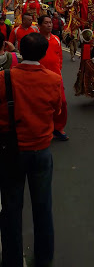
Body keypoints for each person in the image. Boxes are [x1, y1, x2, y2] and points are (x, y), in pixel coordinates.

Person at [0, 33, 62, 267]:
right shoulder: (53, 80)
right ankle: (44, 257)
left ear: (19, 51)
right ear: (45, 53)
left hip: (11, 151)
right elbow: (56, 112)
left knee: (11, 208)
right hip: (41, 150)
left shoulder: (4, 78)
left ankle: (12, 260)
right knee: (43, 206)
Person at [38, 15, 69, 141]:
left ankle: (58, 128)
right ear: (40, 25)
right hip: (39, 78)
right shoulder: (36, 40)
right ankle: (43, 130)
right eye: (46, 23)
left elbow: (60, 56)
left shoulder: (56, 39)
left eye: (50, 22)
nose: (49, 25)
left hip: (56, 77)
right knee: (42, 105)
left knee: (62, 103)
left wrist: (58, 70)